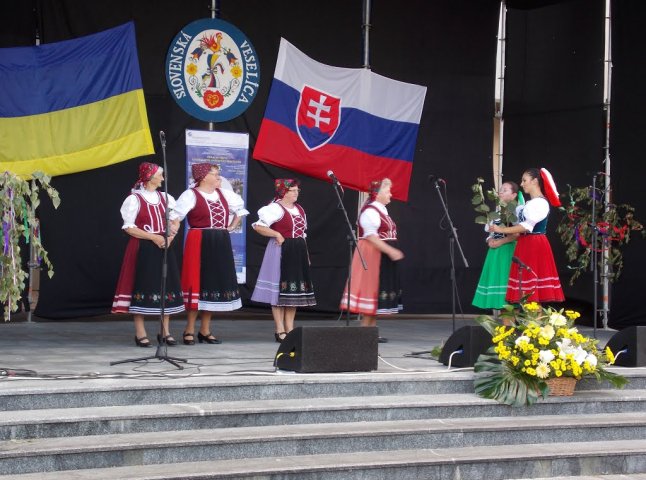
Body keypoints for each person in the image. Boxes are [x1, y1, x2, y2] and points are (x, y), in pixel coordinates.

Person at [172, 163, 249, 345]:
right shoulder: (191, 194)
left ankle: (205, 330)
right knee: (196, 282)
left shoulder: (224, 194)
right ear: (204, 176)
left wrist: (230, 226)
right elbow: (176, 216)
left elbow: (240, 210)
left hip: (220, 240)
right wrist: (172, 231)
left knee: (213, 283)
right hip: (198, 239)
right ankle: (189, 329)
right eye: (215, 174)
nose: (218, 177)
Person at [111, 162, 184, 347]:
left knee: (165, 286)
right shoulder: (134, 199)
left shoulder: (166, 197)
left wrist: (170, 236)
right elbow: (129, 227)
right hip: (142, 247)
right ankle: (140, 332)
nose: (163, 178)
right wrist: (153, 237)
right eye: (160, 175)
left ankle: (164, 330)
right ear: (150, 177)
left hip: (164, 247)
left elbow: (175, 221)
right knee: (141, 286)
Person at [251, 178, 316, 342]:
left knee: (292, 292)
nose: (296, 193)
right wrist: (277, 234)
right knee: (280, 291)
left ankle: (290, 328)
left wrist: (306, 254)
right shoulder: (275, 208)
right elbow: (258, 226)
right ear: (283, 192)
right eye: (293, 190)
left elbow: (302, 234)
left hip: (297, 250)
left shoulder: (300, 209)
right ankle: (279, 329)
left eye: (297, 190)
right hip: (281, 250)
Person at [340, 178, 404, 343]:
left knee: (377, 294)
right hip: (373, 254)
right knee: (372, 290)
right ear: (378, 193)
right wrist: (390, 250)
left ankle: (370, 332)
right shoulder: (370, 211)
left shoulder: (381, 210)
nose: (390, 194)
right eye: (387, 191)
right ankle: (364, 333)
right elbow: (371, 236)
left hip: (381, 255)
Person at [490, 167, 565, 304]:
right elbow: (517, 219)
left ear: (535, 181)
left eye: (525, 180)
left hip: (535, 244)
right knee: (525, 288)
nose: (522, 183)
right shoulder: (528, 204)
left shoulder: (540, 203)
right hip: (525, 243)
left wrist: (501, 230)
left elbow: (526, 226)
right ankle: (530, 324)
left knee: (533, 290)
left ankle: (536, 324)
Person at [472, 181, 520, 310]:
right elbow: (490, 231)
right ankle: (507, 329)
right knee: (500, 297)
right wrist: (490, 241)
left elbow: (517, 233)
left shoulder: (516, 211)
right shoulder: (496, 212)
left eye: (505, 190)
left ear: (514, 195)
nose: (501, 192)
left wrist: (500, 242)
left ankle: (513, 327)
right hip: (495, 252)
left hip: (508, 251)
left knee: (507, 291)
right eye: (500, 189)